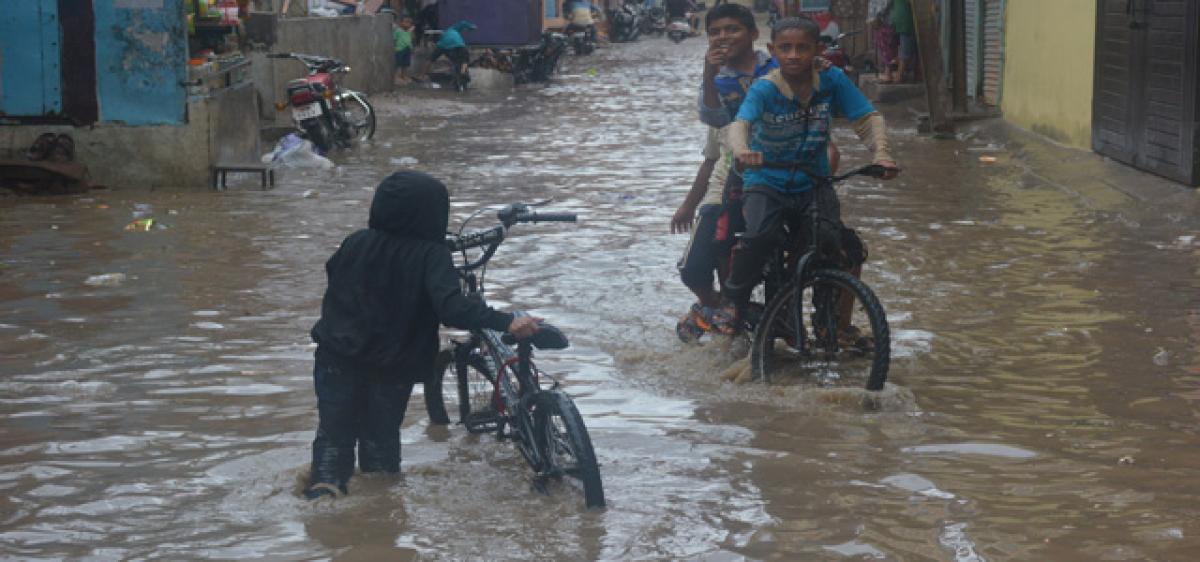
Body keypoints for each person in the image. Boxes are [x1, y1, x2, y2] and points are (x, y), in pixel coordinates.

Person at [303, 171, 540, 500]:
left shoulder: (356, 241)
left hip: (336, 357)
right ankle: (379, 517)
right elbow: (453, 309)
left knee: (333, 433)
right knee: (381, 441)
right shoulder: (431, 255)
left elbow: (334, 271)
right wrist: (505, 322)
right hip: (391, 366)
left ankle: (325, 494)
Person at [713, 17, 899, 334]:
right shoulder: (764, 88)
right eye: (785, 48)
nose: (794, 55)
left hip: (814, 182)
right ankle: (733, 301)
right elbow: (740, 125)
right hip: (765, 181)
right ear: (772, 51)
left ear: (817, 50)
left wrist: (881, 153)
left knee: (831, 244)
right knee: (758, 236)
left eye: (803, 48)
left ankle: (827, 321)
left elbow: (867, 118)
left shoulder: (832, 79)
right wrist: (744, 151)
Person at [871, 1, 899, 83]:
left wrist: (876, 16)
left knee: (886, 48)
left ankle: (888, 74)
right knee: (886, 48)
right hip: (884, 22)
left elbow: (884, 6)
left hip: (885, 23)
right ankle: (887, 72)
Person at [889, 0, 916, 83]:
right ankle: (899, 75)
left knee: (902, 49)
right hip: (905, 20)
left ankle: (899, 74)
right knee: (905, 50)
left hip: (896, 19)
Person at [393, 14, 415, 84]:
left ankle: (403, 76)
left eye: (409, 23)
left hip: (407, 49)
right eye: (406, 22)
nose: (408, 24)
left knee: (405, 64)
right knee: (397, 64)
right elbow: (394, 39)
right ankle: (395, 77)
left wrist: (411, 32)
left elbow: (412, 39)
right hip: (399, 49)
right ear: (401, 23)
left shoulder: (409, 31)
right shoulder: (398, 31)